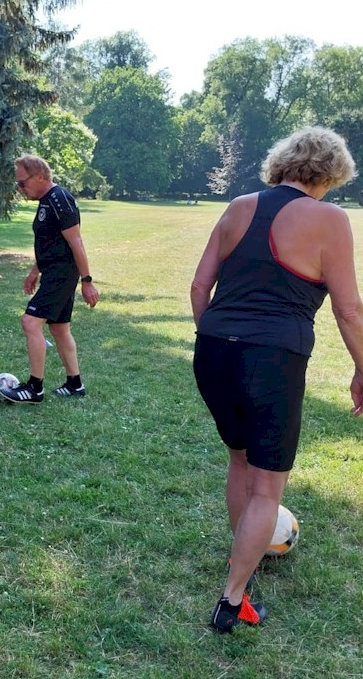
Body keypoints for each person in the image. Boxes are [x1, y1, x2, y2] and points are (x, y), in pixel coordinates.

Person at [191, 126, 363, 633]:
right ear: (331, 173)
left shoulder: (238, 205)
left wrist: (219, 337)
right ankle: (231, 600)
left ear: (282, 162)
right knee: (269, 485)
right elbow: (349, 308)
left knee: (239, 460)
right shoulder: (330, 218)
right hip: (273, 359)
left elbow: (201, 285)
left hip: (214, 350)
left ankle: (239, 558)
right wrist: (361, 367)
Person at [0, 154, 99, 404]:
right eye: (17, 185)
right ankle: (74, 384)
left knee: (30, 322)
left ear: (41, 176)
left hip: (62, 273)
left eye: (22, 183)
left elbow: (76, 242)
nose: (20, 189)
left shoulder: (59, 200)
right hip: (54, 271)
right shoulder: (46, 201)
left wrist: (87, 281)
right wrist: (35, 270)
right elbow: (50, 243)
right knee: (59, 327)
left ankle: (34, 388)